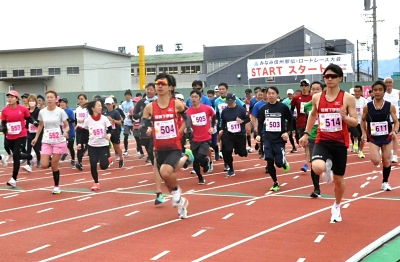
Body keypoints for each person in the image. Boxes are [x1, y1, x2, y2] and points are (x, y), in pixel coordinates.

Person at [299, 64, 358, 223]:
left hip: (340, 143)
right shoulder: (317, 97)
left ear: (340, 78)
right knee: (317, 166)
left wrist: (345, 118)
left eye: (333, 76)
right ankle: (326, 167)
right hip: (322, 140)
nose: (330, 79)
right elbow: (312, 116)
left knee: (338, 181)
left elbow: (354, 122)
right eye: (327, 76)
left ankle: (337, 205)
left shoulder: (347, 98)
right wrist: (305, 133)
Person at [141, 73, 194, 219]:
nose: (159, 86)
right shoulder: (150, 107)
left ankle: (185, 158)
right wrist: (145, 128)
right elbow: (143, 121)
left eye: (162, 84)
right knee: (168, 181)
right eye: (157, 83)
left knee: (165, 172)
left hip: (174, 145)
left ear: (170, 87)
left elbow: (186, 117)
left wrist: (187, 128)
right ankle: (182, 202)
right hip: (159, 148)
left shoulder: (176, 104)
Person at [361, 80, 398, 191]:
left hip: (386, 136)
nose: (377, 92)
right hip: (373, 137)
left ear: (384, 91)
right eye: (375, 90)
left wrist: (394, 131)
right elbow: (362, 120)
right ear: (372, 92)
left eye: (380, 90)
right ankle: (378, 152)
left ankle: (385, 182)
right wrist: (363, 132)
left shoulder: (389, 106)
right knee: (376, 161)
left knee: (386, 161)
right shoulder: (367, 107)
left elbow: (396, 121)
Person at [32, 90, 70, 194]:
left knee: (54, 165)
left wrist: (66, 132)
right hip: (46, 140)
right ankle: (51, 160)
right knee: (44, 165)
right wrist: (36, 137)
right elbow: (40, 125)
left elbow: (66, 125)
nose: (49, 99)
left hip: (58, 141)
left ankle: (56, 186)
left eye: (51, 97)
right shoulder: (42, 112)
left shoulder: (60, 111)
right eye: (47, 97)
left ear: (55, 99)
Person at [256, 86, 292, 191]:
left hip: (279, 138)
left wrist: (287, 132)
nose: (271, 95)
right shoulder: (263, 109)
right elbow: (260, 122)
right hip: (267, 138)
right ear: (266, 95)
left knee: (279, 164)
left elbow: (290, 120)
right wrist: (258, 134)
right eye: (269, 93)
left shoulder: (283, 107)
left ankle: (284, 162)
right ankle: (275, 182)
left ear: (277, 95)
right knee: (269, 161)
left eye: (273, 93)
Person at [78, 100, 113, 191]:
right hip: (92, 146)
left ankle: (107, 159)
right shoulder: (88, 120)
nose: (101, 107)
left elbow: (110, 129)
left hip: (103, 146)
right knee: (93, 164)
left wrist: (109, 134)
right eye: (98, 106)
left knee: (103, 166)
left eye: (101, 106)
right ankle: (96, 182)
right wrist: (80, 143)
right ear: (93, 108)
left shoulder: (104, 119)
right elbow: (83, 132)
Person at [3, 90, 35, 187]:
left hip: (21, 135)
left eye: (12, 97)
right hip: (10, 136)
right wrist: (3, 127)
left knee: (16, 156)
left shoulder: (23, 109)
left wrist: (35, 122)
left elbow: (29, 118)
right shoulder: (5, 110)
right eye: (8, 97)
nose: (9, 99)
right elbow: (3, 122)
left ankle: (13, 179)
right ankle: (30, 156)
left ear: (17, 99)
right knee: (17, 155)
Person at [186, 89, 216, 184]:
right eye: (192, 97)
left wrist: (212, 127)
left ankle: (205, 160)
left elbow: (215, 116)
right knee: (195, 160)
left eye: (196, 97)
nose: (193, 99)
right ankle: (200, 177)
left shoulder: (207, 108)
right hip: (194, 139)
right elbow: (185, 123)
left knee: (199, 157)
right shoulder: (188, 112)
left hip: (205, 138)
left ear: (200, 98)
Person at [215, 83, 246, 171]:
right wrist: (217, 121)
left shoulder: (234, 98)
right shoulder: (217, 101)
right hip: (224, 125)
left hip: (236, 125)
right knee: (225, 147)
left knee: (240, 151)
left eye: (223, 89)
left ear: (227, 90)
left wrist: (238, 115)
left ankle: (238, 149)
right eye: (219, 89)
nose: (221, 91)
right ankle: (227, 163)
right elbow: (217, 112)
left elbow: (243, 106)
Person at [219, 93, 250, 177]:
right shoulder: (225, 111)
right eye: (228, 102)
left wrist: (242, 121)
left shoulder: (241, 109)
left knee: (242, 153)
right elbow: (223, 121)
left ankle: (242, 151)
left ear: (235, 101)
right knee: (227, 151)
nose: (230, 103)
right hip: (229, 134)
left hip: (240, 134)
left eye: (231, 102)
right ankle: (231, 169)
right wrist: (221, 129)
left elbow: (248, 119)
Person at [304, 82, 323, 197]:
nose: (315, 91)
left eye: (318, 89)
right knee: (314, 164)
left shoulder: (328, 104)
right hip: (313, 137)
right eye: (313, 89)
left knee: (328, 162)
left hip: (327, 136)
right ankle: (316, 189)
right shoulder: (307, 106)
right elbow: (309, 120)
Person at [291, 79, 312, 172]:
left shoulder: (313, 97)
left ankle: (306, 163)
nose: (304, 87)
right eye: (302, 85)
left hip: (312, 123)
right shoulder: (296, 98)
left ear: (308, 86)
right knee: (305, 144)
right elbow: (291, 110)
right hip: (300, 123)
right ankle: (309, 158)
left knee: (308, 144)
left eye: (306, 85)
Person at [103, 97, 124, 168]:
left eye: (109, 104)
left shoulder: (116, 112)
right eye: (106, 104)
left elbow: (120, 123)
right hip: (107, 132)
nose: (108, 105)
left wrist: (112, 120)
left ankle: (121, 159)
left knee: (116, 147)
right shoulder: (104, 112)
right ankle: (108, 160)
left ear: (112, 104)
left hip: (115, 131)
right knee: (106, 147)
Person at [383, 77, 399, 163]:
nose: (388, 84)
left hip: (394, 119)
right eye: (386, 82)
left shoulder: (397, 92)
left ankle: (395, 155)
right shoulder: (382, 93)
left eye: (390, 82)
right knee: (385, 137)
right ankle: (387, 152)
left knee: (394, 136)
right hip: (383, 119)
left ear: (392, 83)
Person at [23, 94, 42, 172]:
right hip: (30, 132)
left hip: (37, 132)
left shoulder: (38, 110)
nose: (31, 102)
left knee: (37, 148)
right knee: (29, 148)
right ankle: (28, 164)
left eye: (33, 101)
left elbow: (40, 122)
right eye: (30, 101)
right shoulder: (26, 110)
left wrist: (35, 122)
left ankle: (38, 161)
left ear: (36, 102)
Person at [350, 85, 368, 158]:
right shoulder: (351, 99)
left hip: (361, 121)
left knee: (362, 137)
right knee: (355, 133)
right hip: (352, 120)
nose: (357, 93)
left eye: (358, 91)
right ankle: (355, 142)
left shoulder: (364, 100)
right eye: (355, 91)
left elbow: (367, 111)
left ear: (361, 92)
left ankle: (360, 151)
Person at [59, 98, 76, 167]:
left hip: (70, 132)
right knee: (61, 145)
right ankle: (64, 153)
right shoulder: (58, 111)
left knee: (70, 147)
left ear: (66, 104)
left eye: (63, 102)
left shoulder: (69, 111)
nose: (62, 104)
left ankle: (73, 160)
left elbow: (73, 120)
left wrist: (66, 119)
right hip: (62, 132)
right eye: (61, 102)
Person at [75, 94, 90, 171]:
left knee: (90, 145)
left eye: (82, 99)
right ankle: (79, 163)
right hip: (79, 129)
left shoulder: (88, 109)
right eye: (79, 99)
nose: (80, 100)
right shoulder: (77, 109)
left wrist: (83, 121)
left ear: (86, 100)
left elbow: (90, 118)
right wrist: (76, 125)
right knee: (79, 146)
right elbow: (76, 119)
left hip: (87, 130)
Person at [282, 89, 297, 153]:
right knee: (288, 133)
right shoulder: (285, 101)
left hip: (295, 118)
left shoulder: (296, 99)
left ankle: (297, 142)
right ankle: (293, 147)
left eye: (291, 94)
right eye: (289, 94)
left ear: (293, 94)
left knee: (297, 132)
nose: (290, 95)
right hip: (287, 120)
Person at [121, 89, 134, 156]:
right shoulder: (123, 104)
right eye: (126, 95)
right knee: (125, 136)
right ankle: (126, 150)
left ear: (131, 96)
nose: (127, 97)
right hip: (126, 122)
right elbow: (122, 113)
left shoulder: (133, 103)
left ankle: (138, 149)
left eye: (128, 95)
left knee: (137, 137)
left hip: (133, 122)